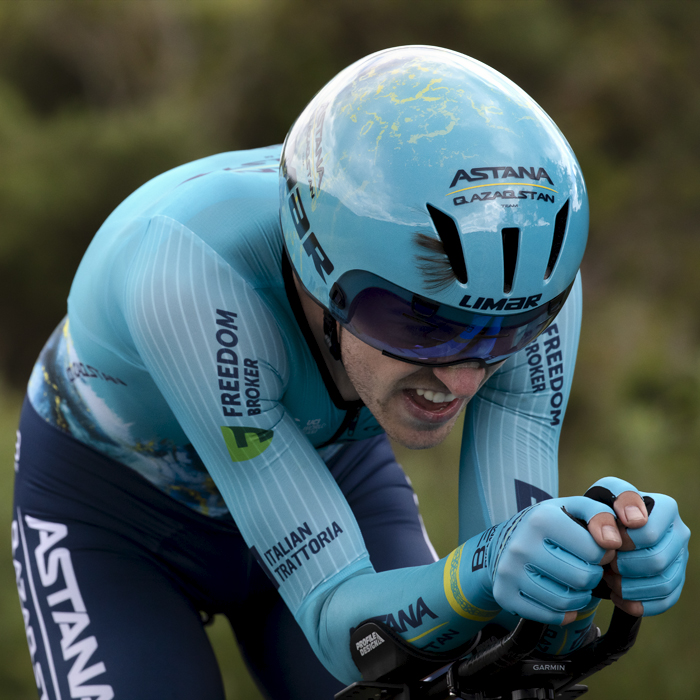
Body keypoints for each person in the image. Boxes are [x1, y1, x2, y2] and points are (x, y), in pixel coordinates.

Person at [11, 45, 689, 700]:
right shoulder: (190, 277)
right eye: (422, 326)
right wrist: (476, 572)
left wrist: (593, 560)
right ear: (320, 273)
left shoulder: (526, 283)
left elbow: (516, 628)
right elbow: (345, 628)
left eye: (507, 334)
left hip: (327, 468)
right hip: (111, 516)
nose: (462, 380)